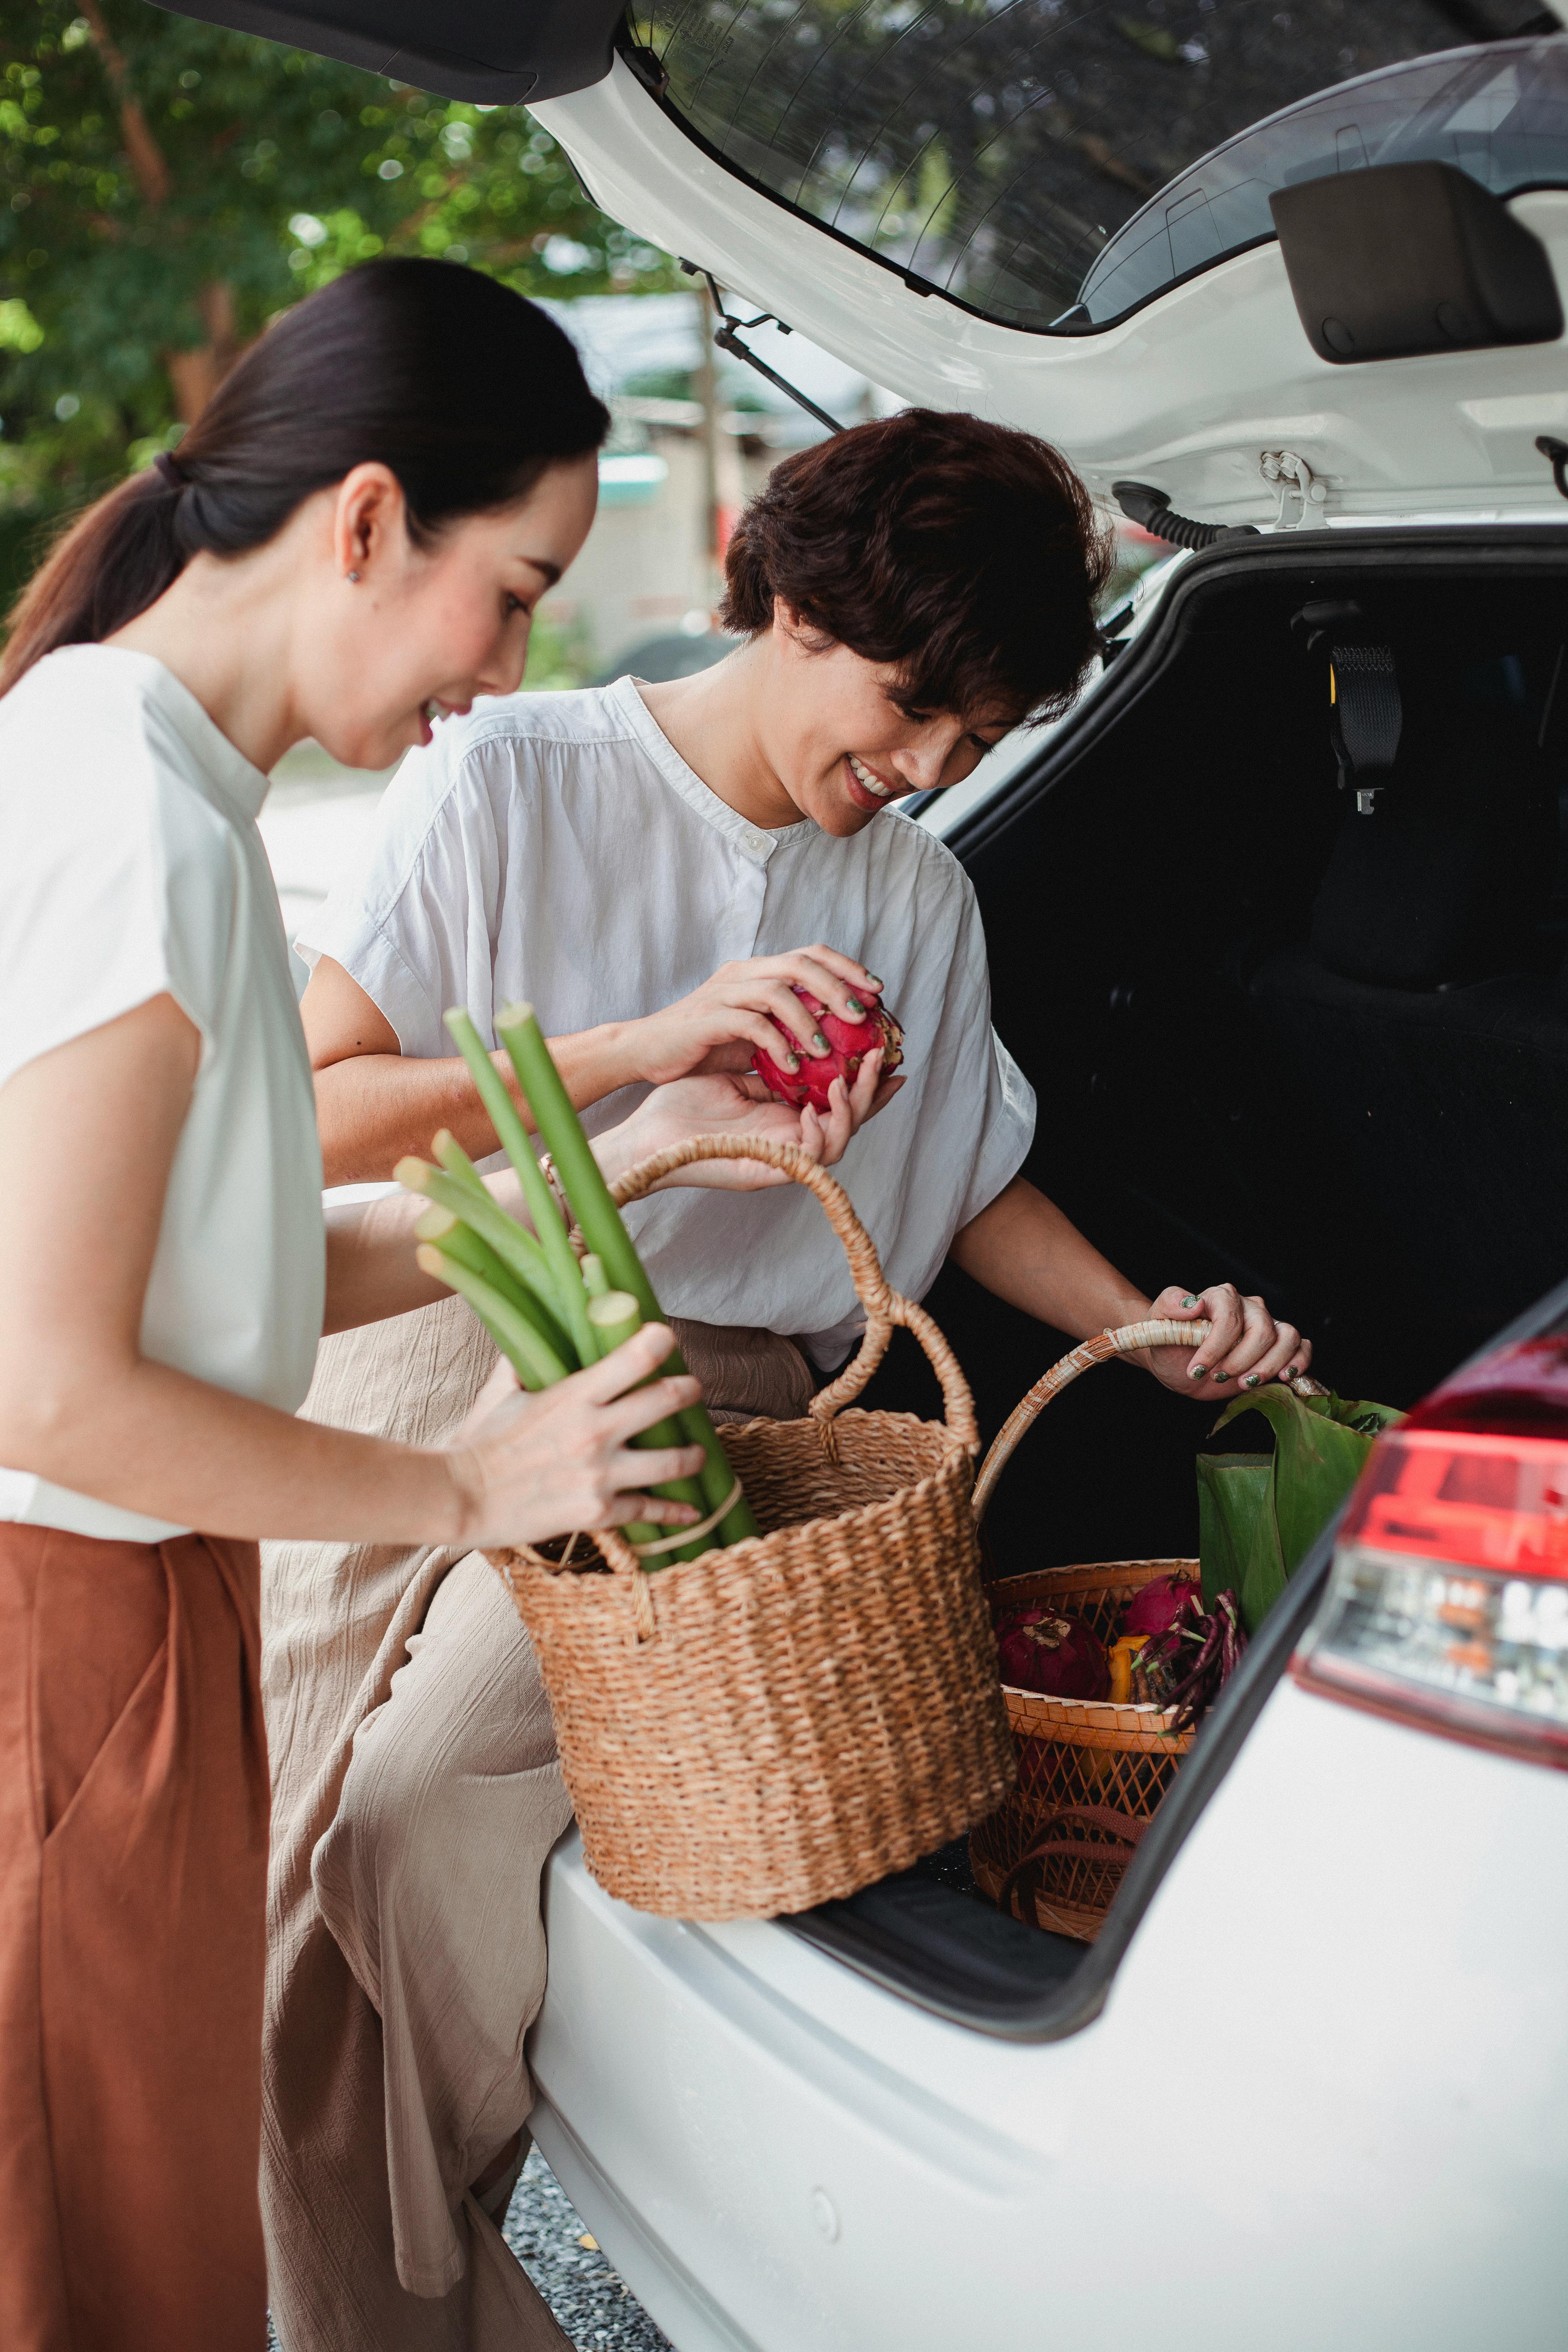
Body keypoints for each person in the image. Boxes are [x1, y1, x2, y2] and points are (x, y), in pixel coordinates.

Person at [268, 409, 1314, 2347]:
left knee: (407, 1822)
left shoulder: (915, 897)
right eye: (913, 703)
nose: (920, 767)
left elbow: (975, 1174)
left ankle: (402, 2304)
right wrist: (637, 1061)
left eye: (975, 742)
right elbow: (317, 1112)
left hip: (707, 1409)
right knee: (277, 1885)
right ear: (790, 592)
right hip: (433, 1334)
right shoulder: (516, 778)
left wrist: (1147, 1327)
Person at [0, 259, 877, 2352]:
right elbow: (46, 1381)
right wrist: (468, 1487)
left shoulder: (153, 777)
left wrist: (632, 1173)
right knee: (97, 2274)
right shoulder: (129, 810)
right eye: (516, 587)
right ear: (369, 520)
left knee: (140, 2245)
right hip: (75, 1623)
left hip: (130, 1613)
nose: (512, 666)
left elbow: (238, 1267)